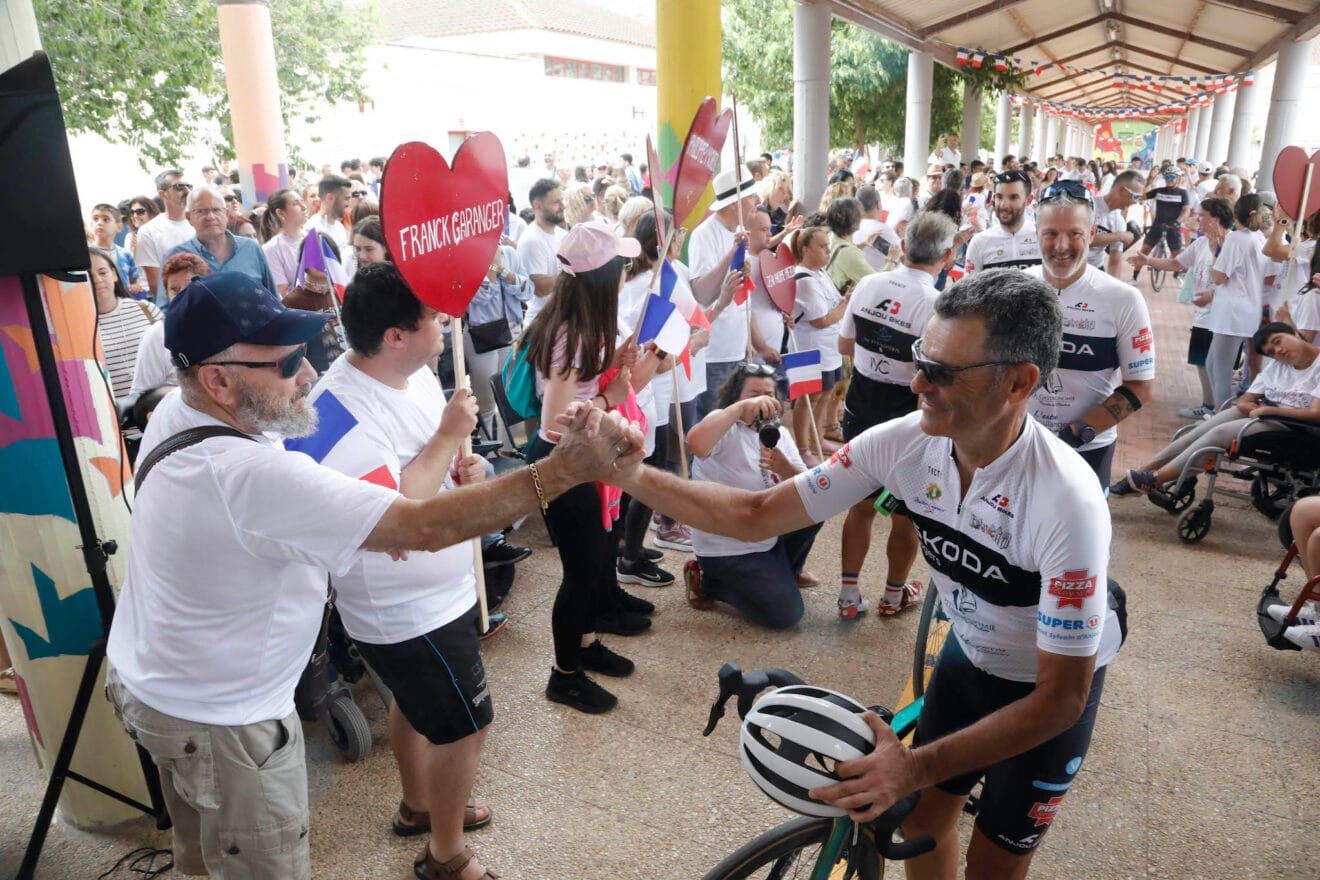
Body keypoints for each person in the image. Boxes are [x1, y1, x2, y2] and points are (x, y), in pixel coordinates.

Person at [104, 271, 637, 880]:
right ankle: (445, 853)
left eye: (304, 353)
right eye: (285, 364)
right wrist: (563, 470)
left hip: (160, 683)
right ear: (218, 378)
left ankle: (416, 809)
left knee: (202, 856)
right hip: (223, 717)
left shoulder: (181, 408)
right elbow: (420, 529)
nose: (307, 375)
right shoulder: (246, 473)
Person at [610, 269, 1122, 878]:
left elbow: (1062, 697)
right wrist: (626, 474)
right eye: (919, 358)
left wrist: (915, 767)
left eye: (944, 372)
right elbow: (755, 514)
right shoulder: (902, 442)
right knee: (922, 827)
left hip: (1043, 694)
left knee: (993, 868)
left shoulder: (1068, 500)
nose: (917, 382)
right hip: (969, 656)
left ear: (1018, 383)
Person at [287, 263, 504, 880]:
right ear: (395, 336)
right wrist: (446, 440)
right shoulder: (333, 413)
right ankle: (446, 853)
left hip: (445, 587)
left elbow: (429, 478)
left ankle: (418, 805)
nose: (444, 326)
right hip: (404, 611)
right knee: (468, 725)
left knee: (415, 704)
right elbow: (396, 519)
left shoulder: (415, 374)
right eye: (432, 318)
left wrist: (465, 473)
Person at [521, 222, 653, 714]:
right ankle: (565, 675)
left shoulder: (583, 323)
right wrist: (607, 395)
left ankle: (586, 643)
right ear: (601, 276)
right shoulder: (571, 333)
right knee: (579, 574)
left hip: (587, 458)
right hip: (564, 465)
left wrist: (611, 363)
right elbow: (556, 422)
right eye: (620, 266)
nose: (626, 272)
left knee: (597, 561)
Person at [835, 211, 956, 620]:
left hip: (861, 408)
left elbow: (844, 345)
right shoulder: (939, 304)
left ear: (903, 246)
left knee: (861, 507)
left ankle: (848, 598)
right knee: (905, 516)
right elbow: (940, 376)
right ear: (949, 255)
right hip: (909, 421)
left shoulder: (869, 283)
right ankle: (892, 596)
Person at [1028, 180, 1154, 487]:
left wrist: (1075, 435)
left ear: (1093, 233)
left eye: (1075, 234)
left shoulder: (1123, 299)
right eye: (1051, 233)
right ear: (1036, 233)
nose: (1061, 246)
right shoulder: (1015, 289)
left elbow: (1140, 386)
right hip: (1020, 443)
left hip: (1088, 448)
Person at [1112, 322, 1320, 498]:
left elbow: (1315, 414)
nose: (1279, 351)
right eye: (1272, 352)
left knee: (1220, 434)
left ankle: (1155, 480)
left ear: (1294, 332)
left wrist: (1269, 412)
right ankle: (1145, 472)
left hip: (1299, 428)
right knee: (1204, 428)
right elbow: (1245, 400)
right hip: (1268, 416)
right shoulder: (1278, 366)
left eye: (1278, 341)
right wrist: (1253, 407)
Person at [683, 364, 820, 627]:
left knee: (817, 508)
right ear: (736, 397)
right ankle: (708, 580)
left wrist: (785, 468)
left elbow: (808, 487)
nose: (761, 402)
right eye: (753, 394)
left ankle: (787, 571)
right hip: (728, 544)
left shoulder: (778, 432)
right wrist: (737, 410)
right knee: (786, 616)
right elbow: (696, 444)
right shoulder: (724, 425)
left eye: (768, 394)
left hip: (766, 529)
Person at [1130, 197, 1233, 419]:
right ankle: (1208, 405)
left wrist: (1211, 295)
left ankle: (1219, 411)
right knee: (1201, 361)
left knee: (1219, 366)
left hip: (1225, 316)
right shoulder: (1201, 243)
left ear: (1216, 218)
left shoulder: (1232, 244)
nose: (1198, 219)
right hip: (1203, 315)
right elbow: (1177, 264)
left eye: (1202, 215)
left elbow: (1234, 280)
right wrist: (1148, 260)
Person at [689, 167, 760, 418]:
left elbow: (743, 297)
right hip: (714, 353)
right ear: (734, 203)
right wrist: (732, 255)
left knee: (732, 424)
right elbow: (701, 293)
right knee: (713, 424)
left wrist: (748, 342)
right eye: (751, 196)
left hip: (737, 348)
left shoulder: (738, 230)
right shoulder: (703, 235)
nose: (757, 202)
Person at [1204, 193, 1270, 406]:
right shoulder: (1260, 238)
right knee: (1212, 363)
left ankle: (1219, 415)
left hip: (1231, 312)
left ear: (1235, 214)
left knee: (1219, 369)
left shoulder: (1236, 238)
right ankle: (1216, 412)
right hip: (1248, 309)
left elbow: (1219, 276)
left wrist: (1215, 251)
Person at [790, 226, 850, 458]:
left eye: (828, 245)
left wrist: (844, 301)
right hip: (811, 349)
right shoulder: (804, 279)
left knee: (825, 394)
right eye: (822, 246)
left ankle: (818, 440)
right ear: (806, 249)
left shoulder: (820, 273)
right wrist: (847, 303)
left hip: (828, 348)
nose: (828, 251)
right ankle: (803, 448)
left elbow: (833, 306)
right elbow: (821, 320)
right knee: (808, 399)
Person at [165, 187, 276, 292]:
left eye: (216, 210)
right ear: (189, 217)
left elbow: (273, 300)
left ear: (226, 214)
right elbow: (165, 309)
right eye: (201, 211)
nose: (211, 217)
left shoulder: (251, 248)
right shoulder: (176, 257)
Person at [131, 252, 210, 395]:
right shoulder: (157, 335)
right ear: (167, 294)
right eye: (174, 289)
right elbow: (141, 395)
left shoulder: (225, 325)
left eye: (189, 287)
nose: (181, 295)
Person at [90, 248, 161, 400]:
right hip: (115, 414)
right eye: (88, 276)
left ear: (114, 274)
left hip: (159, 403)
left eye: (102, 272)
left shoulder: (146, 309)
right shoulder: (79, 326)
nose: (97, 280)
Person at [135, 169, 197, 302]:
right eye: (179, 187)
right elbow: (155, 285)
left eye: (189, 186)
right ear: (163, 194)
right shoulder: (148, 231)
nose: (186, 191)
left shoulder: (198, 222)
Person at [964, 170, 1041, 273]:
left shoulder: (1042, 237)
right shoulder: (979, 242)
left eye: (1013, 197)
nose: (1004, 205)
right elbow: (970, 288)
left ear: (1028, 200)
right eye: (999, 197)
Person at [516, 178, 567, 326]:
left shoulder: (561, 234)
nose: (563, 206)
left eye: (562, 201)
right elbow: (540, 288)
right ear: (537, 205)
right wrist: (574, 272)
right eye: (556, 202)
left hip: (560, 320)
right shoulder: (531, 240)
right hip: (541, 325)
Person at [1134, 168, 1191, 276]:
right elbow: (1141, 197)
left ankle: (1179, 273)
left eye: (1172, 177)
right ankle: (1134, 276)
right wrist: (1149, 180)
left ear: (1178, 178)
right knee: (1144, 250)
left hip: (1173, 227)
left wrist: (1177, 222)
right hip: (1157, 225)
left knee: (1177, 255)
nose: (1169, 179)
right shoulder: (1158, 191)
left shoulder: (1182, 193)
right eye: (1167, 177)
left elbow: (1186, 211)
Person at [1088, 170, 1143, 277]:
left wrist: (1115, 286)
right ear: (1122, 190)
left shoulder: (1119, 221)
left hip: (1095, 269)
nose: (1136, 202)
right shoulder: (1088, 205)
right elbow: (1080, 239)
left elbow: (1115, 261)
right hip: (1070, 267)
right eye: (1136, 196)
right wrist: (1119, 235)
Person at [90, 203, 147, 295]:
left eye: (106, 219)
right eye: (95, 219)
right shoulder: (87, 254)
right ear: (91, 224)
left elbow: (135, 278)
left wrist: (135, 286)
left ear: (119, 227)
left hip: (124, 301)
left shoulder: (125, 254)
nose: (99, 223)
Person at [259, 188, 308, 293]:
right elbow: (284, 294)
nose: (304, 207)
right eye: (296, 203)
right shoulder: (271, 249)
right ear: (280, 213)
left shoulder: (313, 238)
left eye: (302, 201)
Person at [309, 173, 351, 250]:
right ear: (330, 198)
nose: (349, 204)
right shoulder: (312, 231)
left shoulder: (339, 227)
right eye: (346, 199)